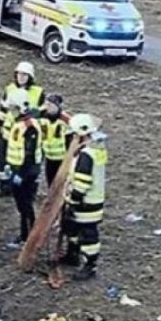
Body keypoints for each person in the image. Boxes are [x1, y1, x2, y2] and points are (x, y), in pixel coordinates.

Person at [60, 114, 107, 280]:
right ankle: (72, 255)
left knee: (88, 235)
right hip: (91, 199)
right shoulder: (95, 149)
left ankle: (90, 265)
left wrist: (73, 201)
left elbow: (82, 182)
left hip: (86, 202)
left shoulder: (86, 155)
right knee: (72, 227)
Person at [0, 62, 45, 196]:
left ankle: (25, 187)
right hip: (8, 131)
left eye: (24, 75)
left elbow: (42, 112)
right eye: (19, 74)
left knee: (25, 161)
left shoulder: (38, 92)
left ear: (30, 77)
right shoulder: (9, 89)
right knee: (3, 160)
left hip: (26, 132)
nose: (21, 77)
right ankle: (5, 186)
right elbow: (2, 110)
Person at [4, 88, 42, 247]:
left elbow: (29, 154)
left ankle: (28, 237)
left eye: (13, 108)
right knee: (22, 206)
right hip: (18, 170)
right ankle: (25, 235)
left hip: (26, 172)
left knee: (26, 206)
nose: (11, 111)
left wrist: (21, 174)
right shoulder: (20, 124)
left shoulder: (29, 126)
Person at [39, 94, 70, 187]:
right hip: (49, 157)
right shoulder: (41, 116)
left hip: (62, 158)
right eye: (47, 104)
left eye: (51, 105)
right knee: (50, 183)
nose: (48, 107)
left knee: (62, 183)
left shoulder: (66, 120)